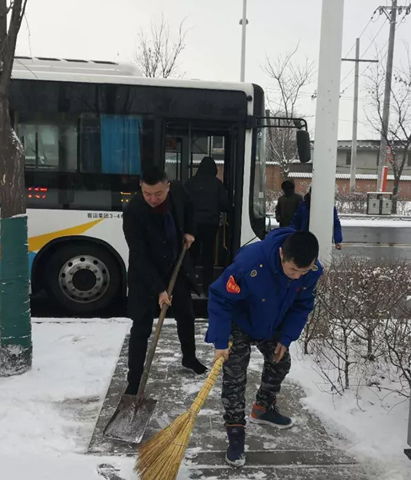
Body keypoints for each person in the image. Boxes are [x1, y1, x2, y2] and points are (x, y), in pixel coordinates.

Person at [206, 228, 322, 467]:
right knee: (235, 376)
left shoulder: (311, 271)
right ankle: (235, 433)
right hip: (240, 321)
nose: (297, 277)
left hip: (271, 322)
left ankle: (262, 408)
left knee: (281, 362)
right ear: (281, 255)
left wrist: (286, 337)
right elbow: (220, 297)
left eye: (303, 271)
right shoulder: (250, 263)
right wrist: (220, 342)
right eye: (293, 270)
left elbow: (302, 304)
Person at [122, 166, 208, 395]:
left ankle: (189, 358)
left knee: (186, 315)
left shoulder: (178, 192)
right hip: (145, 275)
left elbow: (190, 208)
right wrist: (160, 290)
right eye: (147, 193)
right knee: (141, 327)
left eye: (158, 194)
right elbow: (139, 256)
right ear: (141, 188)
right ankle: (134, 383)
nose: (152, 199)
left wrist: (189, 231)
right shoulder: (133, 213)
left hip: (174, 267)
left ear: (168, 187)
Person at [184, 156, 230, 296]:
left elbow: (184, 203)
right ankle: (207, 286)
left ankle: (190, 285)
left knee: (192, 255)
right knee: (208, 256)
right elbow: (225, 204)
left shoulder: (190, 183)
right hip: (210, 224)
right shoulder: (217, 184)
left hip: (193, 224)